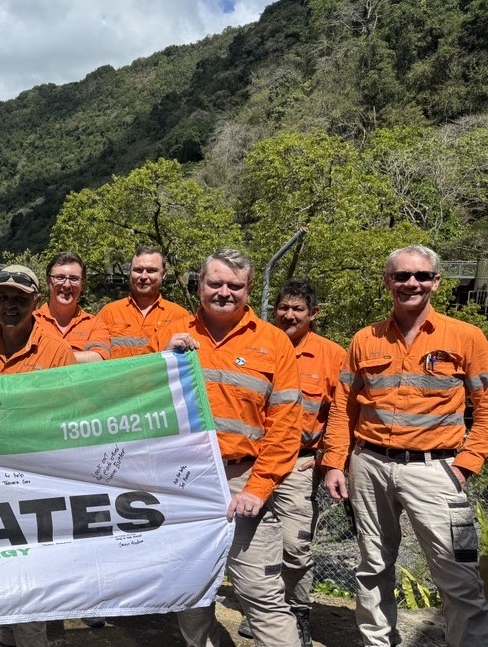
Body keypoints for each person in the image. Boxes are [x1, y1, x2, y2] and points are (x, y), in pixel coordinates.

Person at [323, 245, 488, 647]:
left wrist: (466, 464)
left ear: (436, 282)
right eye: (400, 276)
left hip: (437, 470)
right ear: (387, 282)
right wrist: (333, 462)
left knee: (458, 575)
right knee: (373, 566)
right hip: (369, 465)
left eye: (420, 276)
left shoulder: (466, 336)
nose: (410, 283)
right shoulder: (365, 339)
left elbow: (485, 407)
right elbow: (344, 407)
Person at [149, 249, 303, 647]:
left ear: (249, 289)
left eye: (235, 285)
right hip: (183, 481)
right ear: (199, 285)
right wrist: (161, 359)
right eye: (215, 283)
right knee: (190, 589)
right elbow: (138, 406)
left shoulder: (274, 343)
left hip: (242, 479)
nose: (224, 292)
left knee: (261, 593)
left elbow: (286, 425)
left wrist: (259, 486)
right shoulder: (170, 333)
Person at [0, 264, 75, 647]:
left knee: (30, 573)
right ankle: (0, 634)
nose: (10, 305)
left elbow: (67, 418)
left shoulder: (57, 351)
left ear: (35, 302)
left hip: (34, 481)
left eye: (20, 298)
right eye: (3, 297)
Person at [237, 280, 345, 646]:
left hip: (298, 466)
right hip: (250, 464)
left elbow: (340, 414)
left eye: (298, 309)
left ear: (313, 314)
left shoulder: (331, 355)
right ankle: (263, 611)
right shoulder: (259, 344)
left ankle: (297, 611)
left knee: (294, 548)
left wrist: (326, 461)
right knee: (254, 543)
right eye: (284, 307)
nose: (289, 314)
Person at [97, 246, 188, 358]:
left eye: (151, 271)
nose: (143, 276)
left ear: (164, 274)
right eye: (138, 270)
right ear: (130, 272)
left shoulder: (179, 316)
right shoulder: (109, 313)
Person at [33, 252, 111, 363]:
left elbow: (99, 358)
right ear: (48, 281)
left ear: (82, 284)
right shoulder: (31, 321)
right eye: (60, 277)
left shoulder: (95, 324)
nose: (66, 285)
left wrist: (47, 357)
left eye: (73, 279)